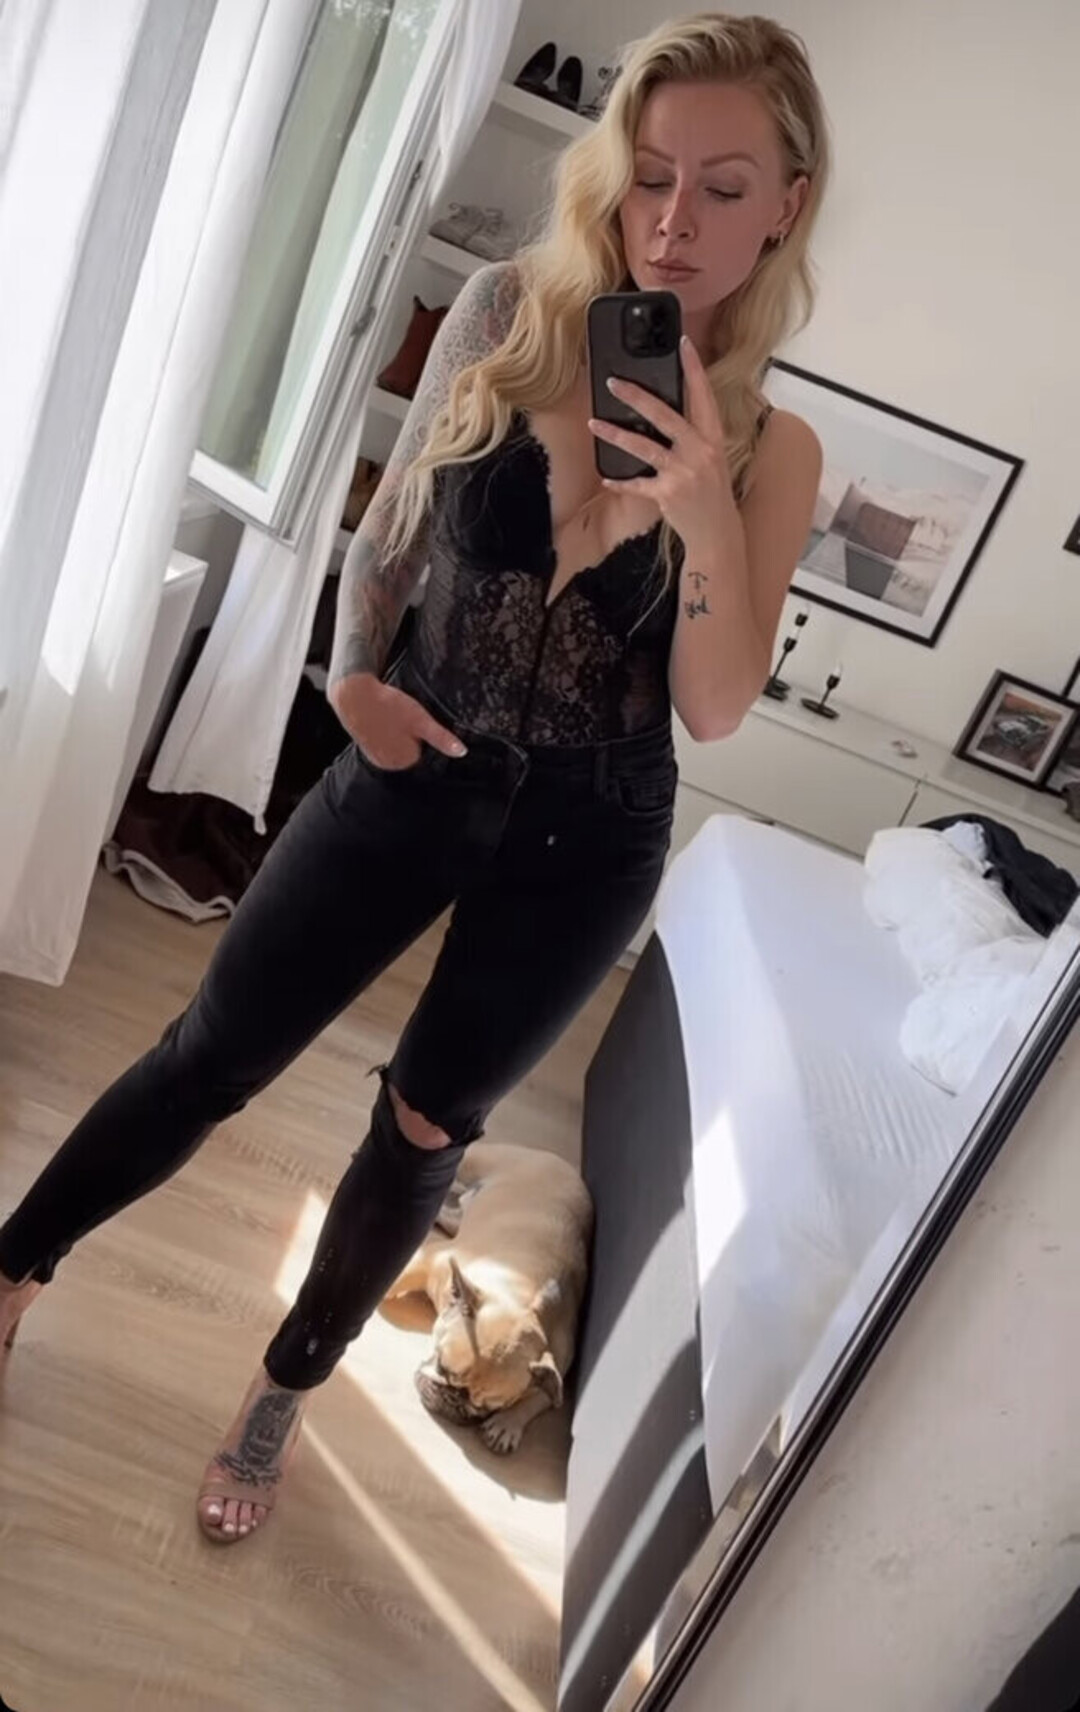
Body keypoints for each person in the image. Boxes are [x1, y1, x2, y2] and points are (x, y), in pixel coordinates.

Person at [0, 13, 829, 1544]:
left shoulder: (776, 449)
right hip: (416, 760)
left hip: (591, 833)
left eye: (723, 188)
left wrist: (705, 508)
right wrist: (349, 680)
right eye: (652, 175)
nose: (672, 221)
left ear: (788, 203)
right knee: (209, 1055)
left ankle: (279, 1396)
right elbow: (394, 526)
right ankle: (11, 1270)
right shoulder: (511, 310)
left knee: (427, 1130)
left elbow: (714, 709)